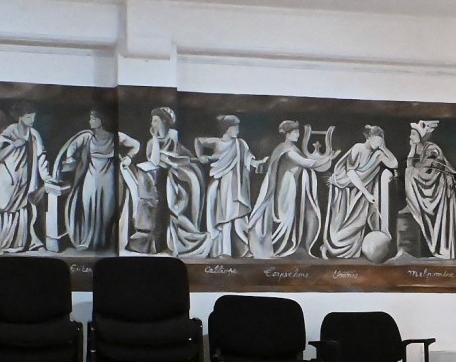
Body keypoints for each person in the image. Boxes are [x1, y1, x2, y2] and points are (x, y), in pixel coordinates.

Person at [248, 120, 336, 259]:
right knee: (285, 217)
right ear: (287, 134)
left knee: (288, 217)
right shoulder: (287, 150)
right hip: (285, 186)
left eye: (298, 132)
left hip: (291, 185)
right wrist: (328, 158)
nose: (298, 135)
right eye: (295, 132)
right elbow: (307, 163)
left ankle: (284, 247)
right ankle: (279, 248)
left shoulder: (291, 148)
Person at [56, 110, 140, 251]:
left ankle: (103, 241)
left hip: (109, 178)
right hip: (90, 176)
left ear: (101, 120)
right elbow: (71, 147)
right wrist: (70, 159)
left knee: (107, 211)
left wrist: (129, 157)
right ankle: (87, 241)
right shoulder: (88, 137)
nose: (90, 121)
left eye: (93, 118)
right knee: (87, 206)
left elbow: (136, 145)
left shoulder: (116, 137)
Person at [135, 107, 213, 258]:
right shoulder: (151, 142)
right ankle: (179, 241)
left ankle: (198, 238)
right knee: (167, 209)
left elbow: (176, 159)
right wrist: (155, 139)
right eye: (152, 121)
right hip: (163, 178)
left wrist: (167, 159)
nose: (152, 124)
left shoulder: (173, 135)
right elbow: (154, 161)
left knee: (176, 209)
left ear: (164, 121)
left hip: (181, 176)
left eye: (155, 121)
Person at [320, 125, 399, 259]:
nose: (377, 145)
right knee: (340, 224)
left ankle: (350, 251)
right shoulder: (358, 148)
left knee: (357, 223)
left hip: (360, 193)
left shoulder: (378, 154)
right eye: (376, 141)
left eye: (380, 142)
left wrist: (384, 148)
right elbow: (350, 172)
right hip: (345, 190)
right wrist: (366, 193)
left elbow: (394, 164)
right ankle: (328, 247)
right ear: (368, 137)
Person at [195, 115, 261, 257]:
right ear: (227, 128)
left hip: (237, 185)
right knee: (225, 216)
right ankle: (224, 251)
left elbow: (248, 159)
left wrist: (257, 163)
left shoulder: (241, 144)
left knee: (239, 216)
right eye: (235, 127)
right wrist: (200, 156)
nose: (238, 130)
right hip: (223, 184)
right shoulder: (218, 143)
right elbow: (198, 141)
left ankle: (244, 249)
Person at [0, 103, 55, 253]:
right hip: (7, 178)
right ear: (20, 117)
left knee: (23, 211)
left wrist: (46, 176)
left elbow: (41, 157)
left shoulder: (34, 135)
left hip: (25, 181)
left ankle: (20, 245)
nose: (32, 120)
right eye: (28, 117)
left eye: (33, 117)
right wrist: (14, 145)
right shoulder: (10, 131)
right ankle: (5, 245)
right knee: (6, 210)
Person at [404, 119, 456, 259]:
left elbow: (424, 170)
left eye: (413, 134)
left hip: (442, 190)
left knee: (410, 173)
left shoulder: (432, 149)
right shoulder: (419, 148)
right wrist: (412, 149)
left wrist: (413, 167)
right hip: (431, 187)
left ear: (421, 136)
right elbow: (411, 166)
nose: (410, 136)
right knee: (410, 172)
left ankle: (445, 248)